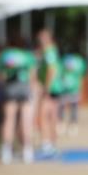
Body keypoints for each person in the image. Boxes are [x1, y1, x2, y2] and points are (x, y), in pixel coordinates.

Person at [0, 35, 37, 164]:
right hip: (24, 87)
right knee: (26, 120)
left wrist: (4, 88)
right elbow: (32, 76)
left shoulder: (5, 55)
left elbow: (1, 76)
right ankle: (27, 151)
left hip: (10, 88)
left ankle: (6, 151)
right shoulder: (28, 56)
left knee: (9, 119)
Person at [35, 28, 62, 159]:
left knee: (44, 116)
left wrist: (46, 88)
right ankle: (51, 145)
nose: (40, 41)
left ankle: (48, 145)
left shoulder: (49, 51)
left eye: (43, 38)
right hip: (55, 88)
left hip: (51, 89)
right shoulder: (51, 50)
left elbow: (52, 69)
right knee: (51, 116)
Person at [58, 51, 87, 137]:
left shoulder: (78, 65)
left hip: (74, 89)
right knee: (62, 107)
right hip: (65, 89)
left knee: (73, 108)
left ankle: (73, 125)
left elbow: (81, 77)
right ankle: (61, 123)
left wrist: (80, 89)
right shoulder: (64, 65)